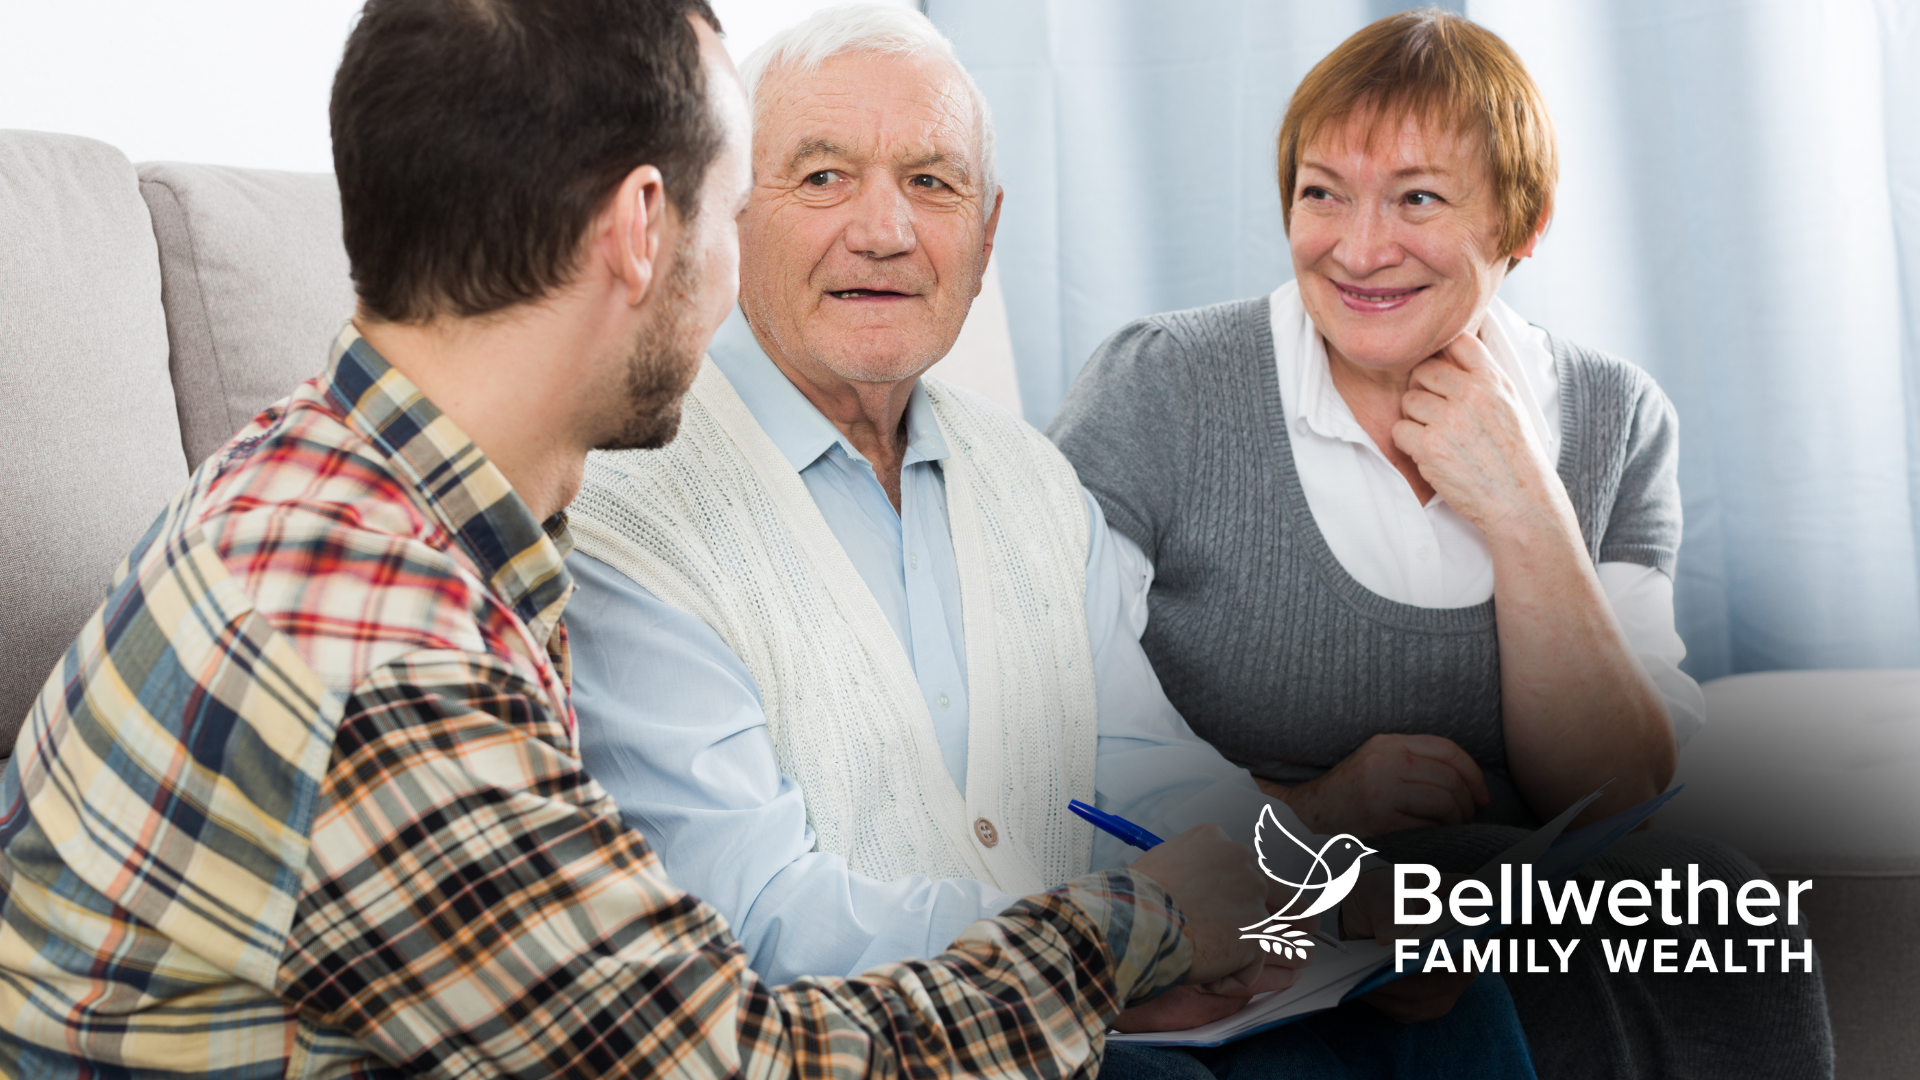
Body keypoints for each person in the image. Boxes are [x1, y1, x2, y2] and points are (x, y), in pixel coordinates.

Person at [0, 2, 1281, 1076]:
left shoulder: (325, 477)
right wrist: (1131, 929)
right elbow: (737, 1059)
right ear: (641, 230)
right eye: (746, 208)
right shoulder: (386, 661)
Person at [564, 5, 1537, 1076]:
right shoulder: (629, 501)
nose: (886, 231)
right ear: (731, 215)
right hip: (883, 1044)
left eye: (933, 183)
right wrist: (1127, 939)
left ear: (987, 237)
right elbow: (750, 915)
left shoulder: (1028, 478)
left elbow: (1142, 773)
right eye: (825, 177)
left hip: (1115, 993)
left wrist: (1320, 908)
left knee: (1447, 1004)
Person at [1050, 10, 1833, 1078]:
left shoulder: (1613, 416)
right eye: (1323, 192)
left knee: (1718, 911)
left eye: (1418, 197)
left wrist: (1524, 507)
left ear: (1525, 221)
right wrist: (1318, 818)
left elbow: (1619, 799)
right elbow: (1048, 721)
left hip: (1514, 913)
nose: (1359, 248)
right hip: (1254, 895)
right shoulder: (1161, 387)